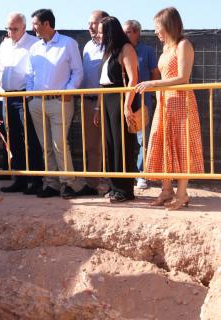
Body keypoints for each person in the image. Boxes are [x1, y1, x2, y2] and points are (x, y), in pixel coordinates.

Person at [136, 7, 204, 210]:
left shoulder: (183, 45)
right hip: (165, 103)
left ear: (169, 26)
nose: (156, 32)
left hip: (181, 103)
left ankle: (182, 195)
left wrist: (154, 84)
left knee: (182, 147)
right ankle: (167, 190)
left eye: (158, 28)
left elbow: (183, 77)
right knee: (162, 144)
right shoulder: (167, 48)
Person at [25, 9, 84, 199]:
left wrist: (68, 92)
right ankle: (51, 183)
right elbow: (29, 75)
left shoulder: (68, 43)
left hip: (59, 102)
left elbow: (77, 71)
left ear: (46, 24)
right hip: (37, 104)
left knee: (60, 144)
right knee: (46, 145)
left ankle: (68, 183)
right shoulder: (34, 48)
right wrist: (30, 95)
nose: (32, 28)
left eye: (35, 24)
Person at [0, 12, 44, 195]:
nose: (10, 32)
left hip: (25, 97)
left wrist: (30, 96)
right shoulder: (4, 45)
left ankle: (36, 180)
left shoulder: (34, 44)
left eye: (14, 29)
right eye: (8, 28)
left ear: (24, 28)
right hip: (6, 98)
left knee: (32, 140)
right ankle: (19, 179)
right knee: (13, 141)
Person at [96, 16, 139, 203]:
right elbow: (102, 82)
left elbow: (133, 79)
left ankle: (125, 189)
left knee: (122, 144)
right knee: (110, 144)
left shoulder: (126, 48)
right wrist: (98, 107)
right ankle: (115, 187)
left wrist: (127, 104)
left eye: (101, 32)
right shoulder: (108, 52)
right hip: (107, 98)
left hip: (121, 99)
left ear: (109, 32)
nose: (98, 35)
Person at [123, 20, 160, 190]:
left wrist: (154, 94)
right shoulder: (119, 50)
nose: (127, 34)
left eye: (130, 31)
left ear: (138, 32)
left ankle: (141, 175)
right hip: (121, 102)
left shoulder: (147, 51)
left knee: (142, 140)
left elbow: (155, 74)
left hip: (142, 102)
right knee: (123, 140)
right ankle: (122, 176)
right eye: (125, 32)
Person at [76, 10, 109, 197]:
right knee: (92, 145)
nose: (90, 27)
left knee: (112, 144)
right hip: (88, 102)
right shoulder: (87, 46)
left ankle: (115, 184)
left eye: (94, 23)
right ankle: (92, 183)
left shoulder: (113, 46)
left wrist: (99, 104)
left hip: (107, 102)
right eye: (89, 23)